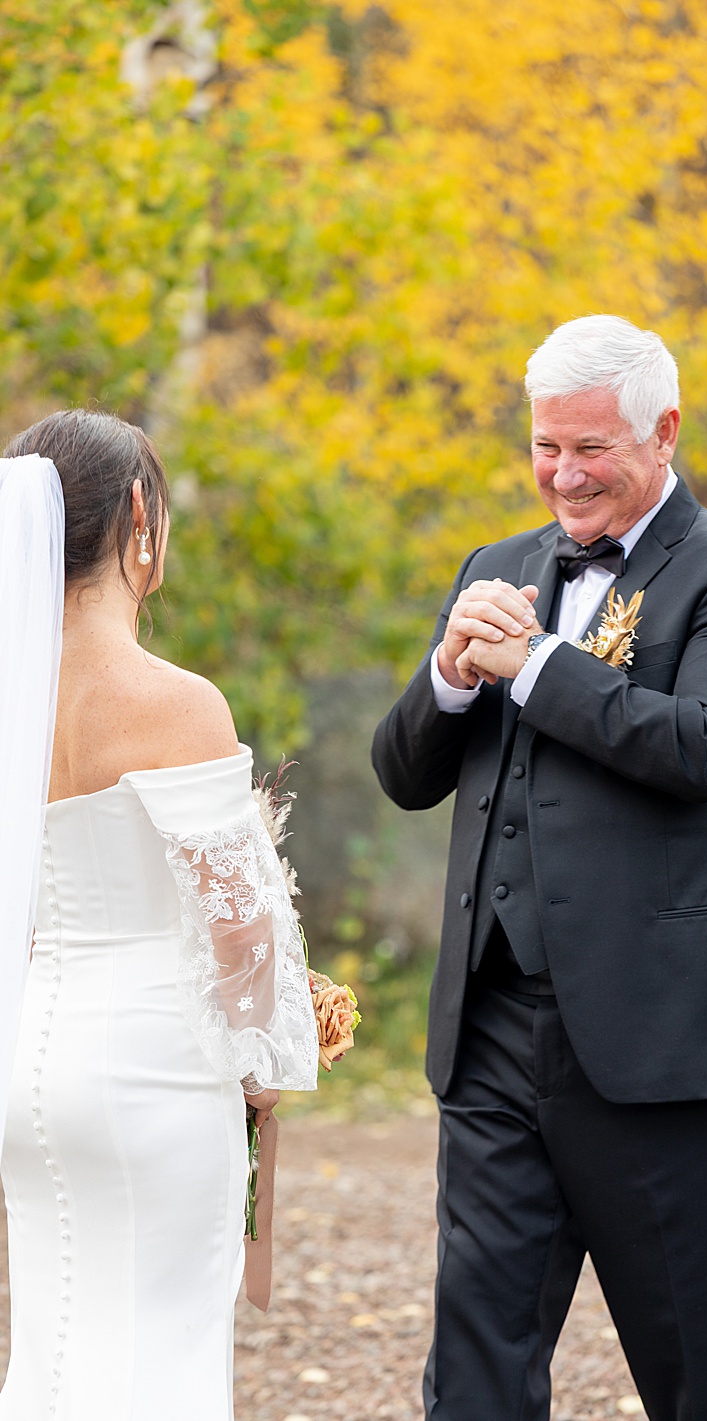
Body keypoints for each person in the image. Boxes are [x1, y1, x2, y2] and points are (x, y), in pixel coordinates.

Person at [371, 314, 707, 1421]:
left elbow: (706, 746)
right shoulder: (497, 567)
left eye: (590, 449)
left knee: (698, 1368)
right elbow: (402, 773)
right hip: (488, 1031)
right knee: (473, 1367)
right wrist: (451, 675)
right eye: (545, 446)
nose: (562, 475)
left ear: (662, 432)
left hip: (660, 1035)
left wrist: (534, 666)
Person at [0, 413, 318, 1418]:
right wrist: (266, 1065)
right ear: (142, 515)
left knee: (55, 1353)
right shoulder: (174, 702)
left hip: (32, 1057)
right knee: (161, 1364)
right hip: (153, 1070)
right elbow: (242, 929)